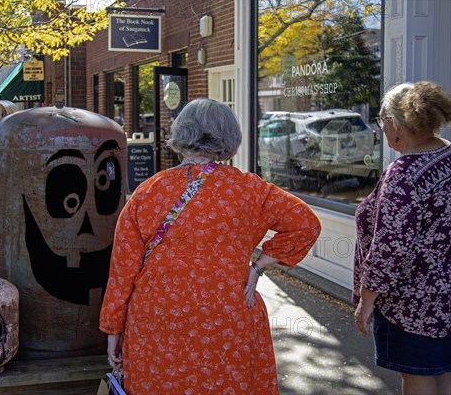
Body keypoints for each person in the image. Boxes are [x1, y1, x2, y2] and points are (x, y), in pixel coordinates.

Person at [99, 98, 321, 394]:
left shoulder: (149, 191)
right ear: (230, 138)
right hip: (227, 316)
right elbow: (305, 224)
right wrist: (259, 266)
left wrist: (113, 326)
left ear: (182, 134)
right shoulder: (250, 190)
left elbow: (123, 267)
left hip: (158, 318)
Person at [353, 81, 451, 395]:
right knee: (444, 374)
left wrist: (366, 300)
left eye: (381, 120)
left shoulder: (404, 174)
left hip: (412, 304)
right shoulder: (447, 155)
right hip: (446, 297)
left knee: (418, 379)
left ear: (397, 125)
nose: (381, 127)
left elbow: (390, 247)